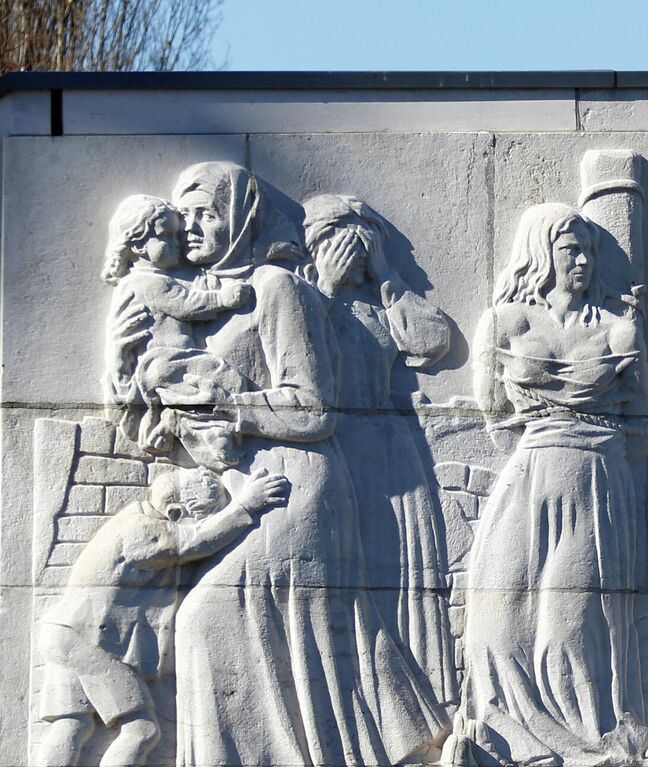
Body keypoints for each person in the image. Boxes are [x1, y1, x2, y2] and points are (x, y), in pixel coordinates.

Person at [164, 161, 448, 765]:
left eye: (206, 215)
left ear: (241, 217)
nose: (190, 229)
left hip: (298, 487)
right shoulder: (205, 301)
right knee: (275, 635)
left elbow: (315, 407)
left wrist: (230, 409)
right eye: (182, 216)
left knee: (205, 619)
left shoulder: (277, 288)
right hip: (254, 486)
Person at [452, 202, 648, 764]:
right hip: (528, 474)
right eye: (571, 249)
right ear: (541, 252)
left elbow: (643, 428)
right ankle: (517, 741)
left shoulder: (619, 329)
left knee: (570, 630)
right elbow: (495, 421)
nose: (583, 261)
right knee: (496, 620)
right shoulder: (505, 323)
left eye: (590, 250)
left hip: (594, 482)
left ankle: (594, 747)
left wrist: (591, 445)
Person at [302, 194, 459, 700]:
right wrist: (325, 286)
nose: (350, 250)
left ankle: (419, 695)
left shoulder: (381, 305)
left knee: (404, 574)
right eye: (337, 239)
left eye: (359, 240)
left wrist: (387, 275)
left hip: (391, 453)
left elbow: (433, 341)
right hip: (334, 449)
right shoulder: (301, 297)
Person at [33, 467, 287, 767]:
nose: (205, 523)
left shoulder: (132, 521)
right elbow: (193, 543)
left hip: (65, 635)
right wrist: (245, 506)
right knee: (141, 730)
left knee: (73, 726)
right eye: (203, 516)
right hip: (87, 642)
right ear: (177, 513)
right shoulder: (141, 530)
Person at [99, 194, 250, 452]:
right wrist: (225, 298)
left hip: (160, 365)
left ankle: (169, 428)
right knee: (222, 376)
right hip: (167, 360)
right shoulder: (149, 281)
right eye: (166, 236)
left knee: (182, 397)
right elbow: (188, 304)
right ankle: (194, 429)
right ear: (138, 244)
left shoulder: (136, 282)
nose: (176, 243)